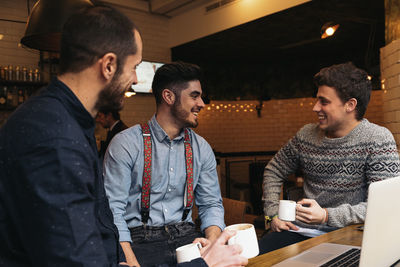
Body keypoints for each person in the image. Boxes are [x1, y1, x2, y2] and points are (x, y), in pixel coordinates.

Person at [0, 5, 247, 267]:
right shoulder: (56, 138)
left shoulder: (62, 121)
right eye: (134, 67)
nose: (134, 80)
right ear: (108, 65)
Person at [258, 62, 400, 254]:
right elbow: (273, 170)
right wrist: (272, 214)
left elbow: (385, 206)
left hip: (352, 234)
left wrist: (326, 215)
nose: (315, 108)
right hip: (299, 231)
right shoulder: (306, 136)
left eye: (324, 101)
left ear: (350, 105)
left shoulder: (377, 139)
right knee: (251, 258)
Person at [103, 62, 225, 266]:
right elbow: (113, 211)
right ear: (168, 97)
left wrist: (211, 244)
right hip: (139, 243)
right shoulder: (126, 144)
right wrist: (131, 262)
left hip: (188, 239)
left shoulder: (201, 147)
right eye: (194, 96)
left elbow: (211, 203)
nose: (202, 104)